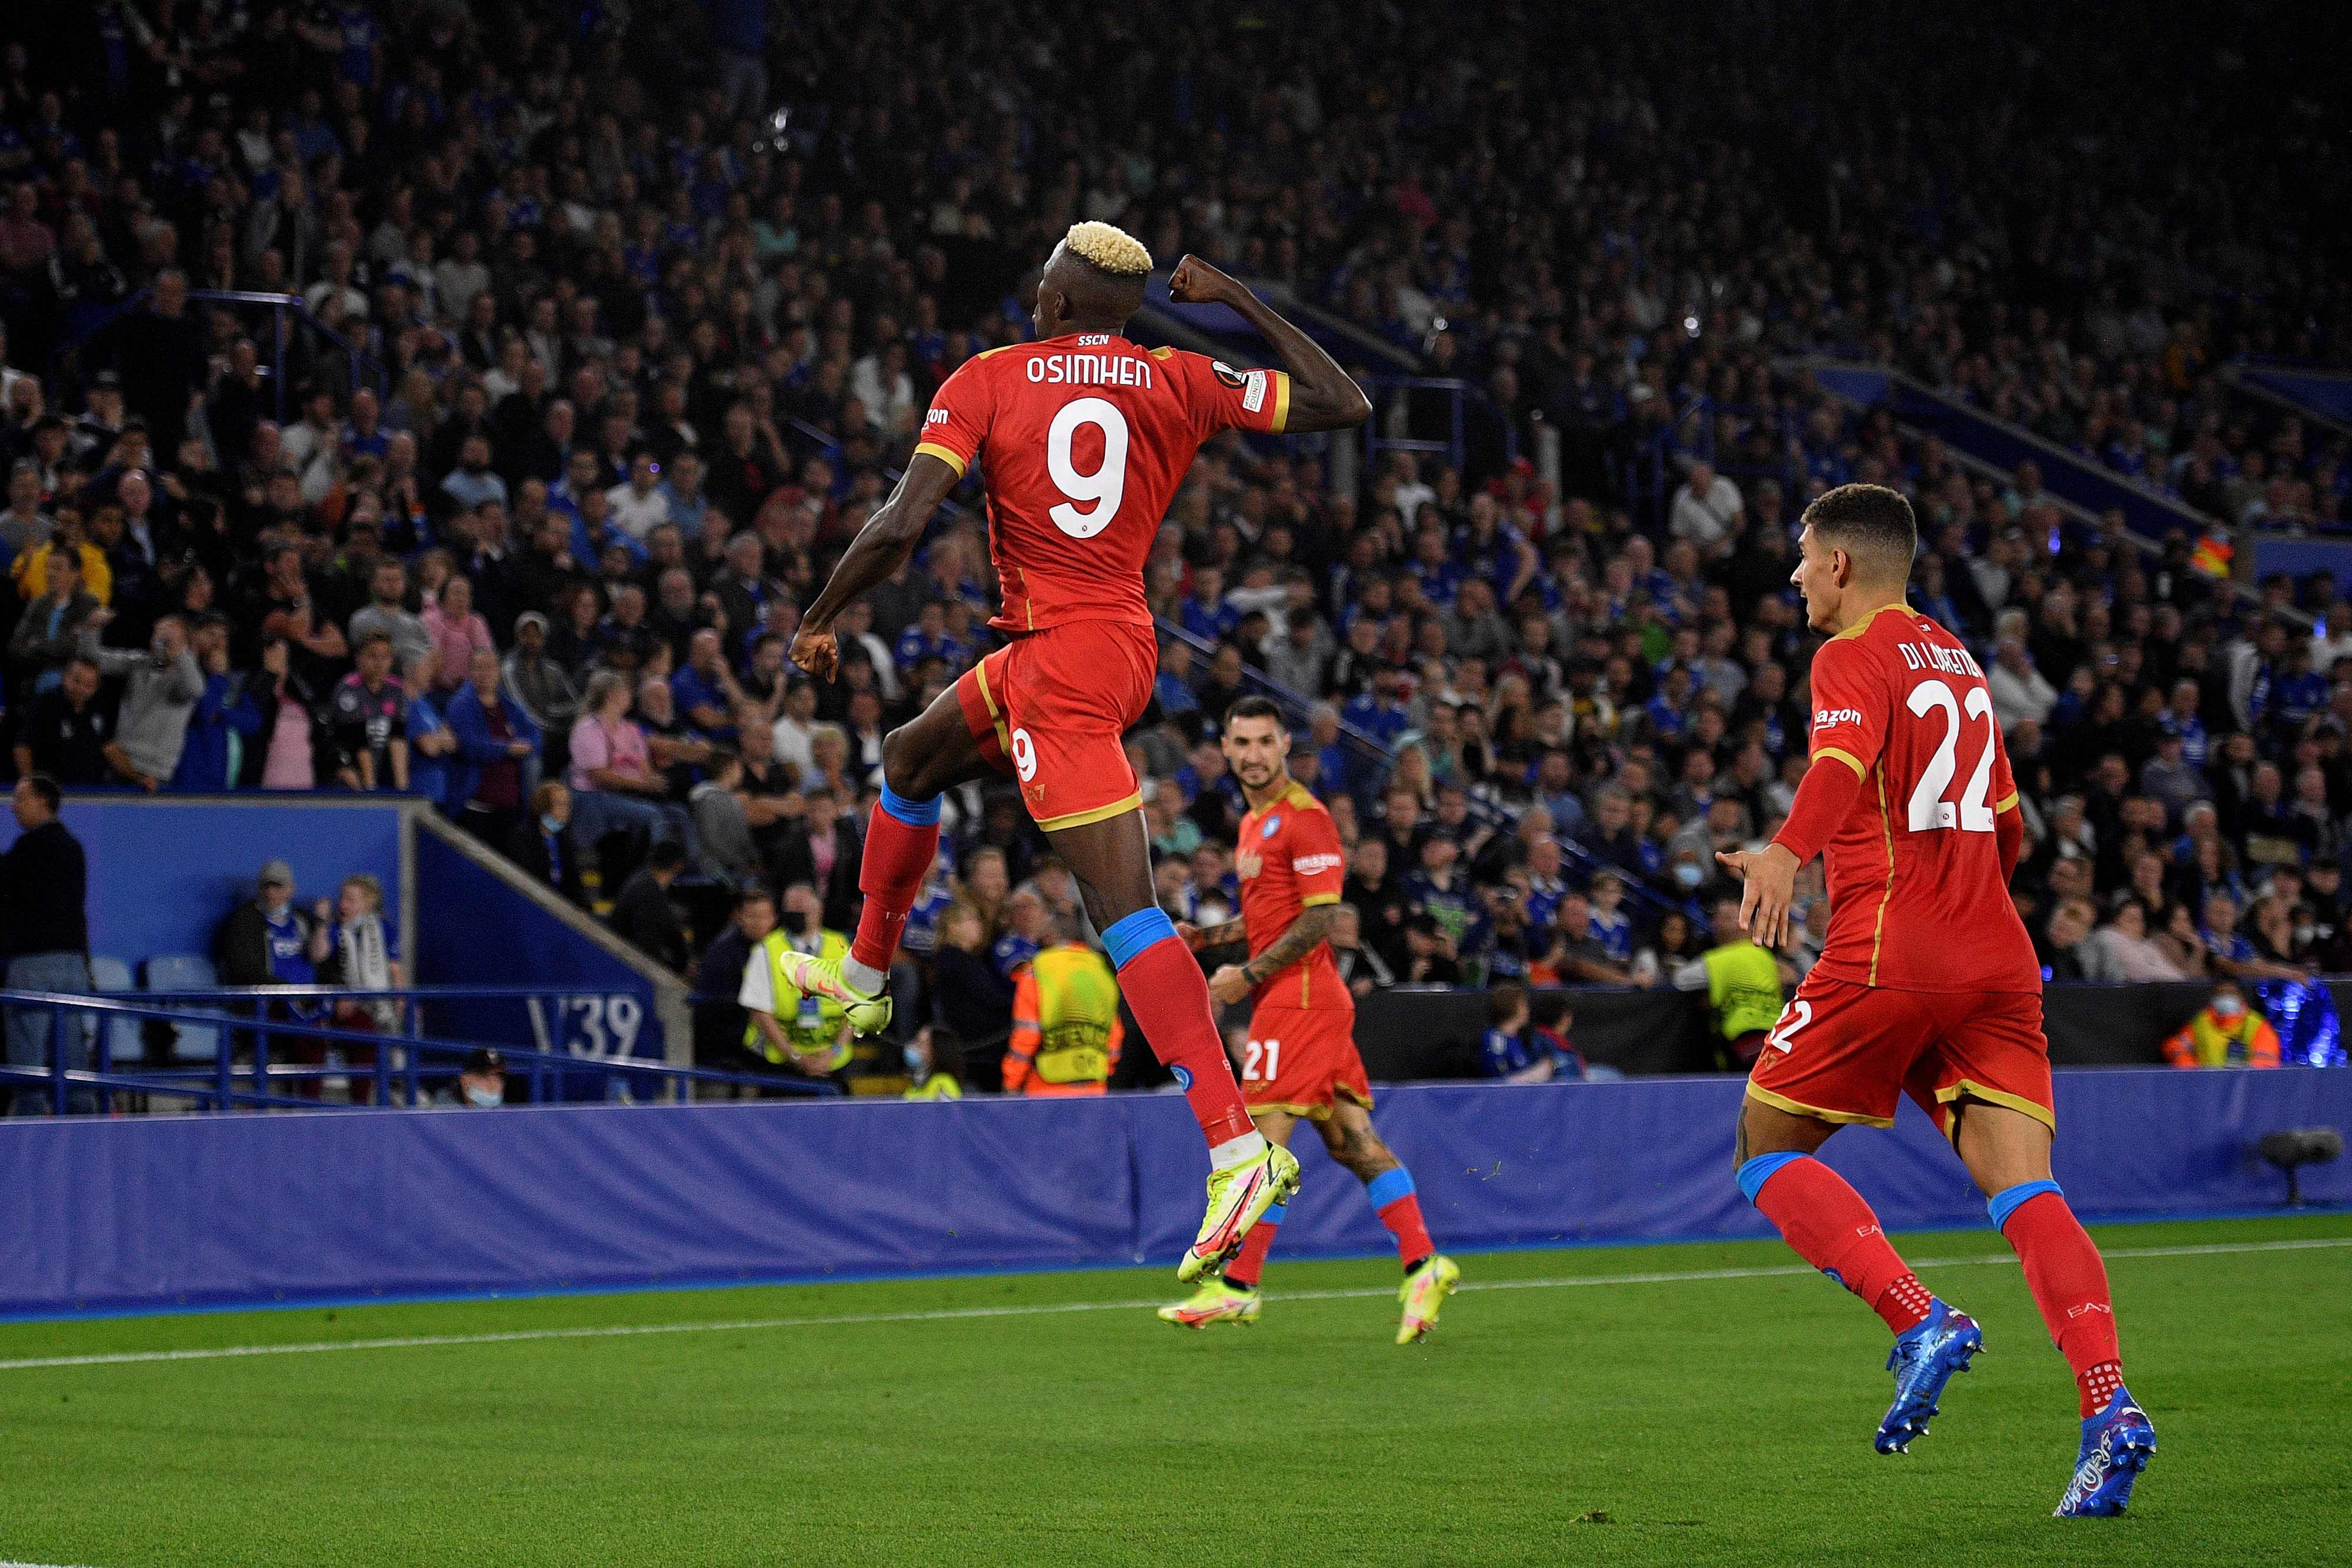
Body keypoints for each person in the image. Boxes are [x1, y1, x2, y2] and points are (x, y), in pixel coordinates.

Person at [787, 225, 1369, 1282]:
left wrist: (824, 613)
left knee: (1125, 910)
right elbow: (1342, 403)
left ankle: (1237, 1149)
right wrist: (1236, 295)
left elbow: (903, 523)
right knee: (911, 759)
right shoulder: (1177, 376)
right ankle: (867, 976)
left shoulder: (988, 379)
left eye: (1041, 290)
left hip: (1060, 663)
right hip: (1097, 646)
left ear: (1056, 303)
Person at [1716, 483, 2153, 1514]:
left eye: (1802, 556)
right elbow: (2008, 828)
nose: (1793, 576)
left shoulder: (1848, 655)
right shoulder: (1959, 660)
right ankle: (2109, 1407)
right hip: (1996, 952)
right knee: (2025, 1188)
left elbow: (1836, 762)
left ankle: (1920, 1318)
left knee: (1761, 1145)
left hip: (1888, 943)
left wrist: (1787, 853)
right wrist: (1962, 903)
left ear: (1841, 566)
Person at [1160, 698, 1458, 1339]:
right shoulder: (1252, 825)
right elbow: (1272, 918)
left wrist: (1248, 975)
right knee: (1352, 1143)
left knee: (1259, 1151)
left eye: (1265, 741)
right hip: (1300, 996)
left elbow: (1322, 918)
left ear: (1284, 744)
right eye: (1241, 742)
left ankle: (1238, 1287)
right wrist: (1208, 939)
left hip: (1299, 997)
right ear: (1227, 747)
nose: (1253, 754)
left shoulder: (1306, 819)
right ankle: (1423, 1264)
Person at [1, 775, 93, 1116]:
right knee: (73, 1059)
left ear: (43, 802)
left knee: (27, 1063)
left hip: (32, 966)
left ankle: (26, 1144)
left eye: (21, 799)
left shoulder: (28, 850)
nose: (14, 806)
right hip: (72, 965)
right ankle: (85, 1136)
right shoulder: (73, 847)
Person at [737, 883, 857, 1086]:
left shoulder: (841, 946)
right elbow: (760, 1013)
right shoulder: (766, 949)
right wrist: (796, 1058)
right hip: (780, 1064)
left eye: (802, 910)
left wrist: (834, 1052)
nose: (796, 915)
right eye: (791, 910)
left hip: (832, 1063)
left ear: (818, 910)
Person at [1001, 912, 1123, 1096]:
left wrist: (1011, 1083)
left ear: (1050, 936)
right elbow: (1114, 1032)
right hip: (1094, 1086)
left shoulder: (1038, 971)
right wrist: (1104, 1069)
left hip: (1046, 1088)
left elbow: (1027, 1035)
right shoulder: (1101, 972)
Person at [1672, 894, 1787, 1069]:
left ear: (1747, 925)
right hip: (1779, 1037)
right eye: (1717, 917)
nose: (1716, 923)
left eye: (1725, 919)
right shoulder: (1767, 957)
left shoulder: (1719, 959)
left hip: (1744, 1038)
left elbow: (1679, 979)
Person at [608, 840, 691, 974]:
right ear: (679, 866)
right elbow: (646, 947)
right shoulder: (647, 891)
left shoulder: (642, 881)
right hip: (631, 968)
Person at [2160, 981, 2281, 1069]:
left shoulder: (2258, 1025)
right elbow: (2176, 1047)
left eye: (2230, 994)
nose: (2226, 998)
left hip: (2244, 1090)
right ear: (2213, 999)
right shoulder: (2201, 1022)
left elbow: (2267, 1062)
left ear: (2240, 997)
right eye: (2221, 994)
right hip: (2207, 1088)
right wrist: (2192, 1071)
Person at [508, 780, 586, 907]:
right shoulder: (523, 837)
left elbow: (574, 881)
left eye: (567, 805)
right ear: (543, 806)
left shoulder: (565, 838)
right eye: (560, 805)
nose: (565, 811)